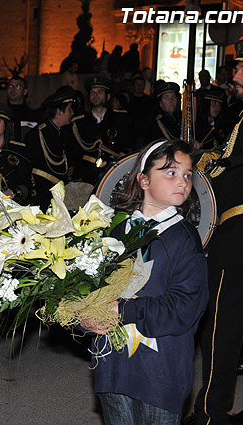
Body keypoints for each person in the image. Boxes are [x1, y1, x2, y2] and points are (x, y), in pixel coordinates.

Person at [84, 139, 208, 425]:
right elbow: (89, 284)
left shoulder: (184, 238)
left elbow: (186, 307)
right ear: (143, 179)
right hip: (112, 365)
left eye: (187, 175)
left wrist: (124, 311)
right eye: (170, 172)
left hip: (159, 372)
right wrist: (84, 316)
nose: (182, 182)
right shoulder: (115, 230)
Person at [190, 40, 243, 425]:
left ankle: (210, 414)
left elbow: (236, 174)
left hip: (239, 239)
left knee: (221, 330)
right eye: (237, 70)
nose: (235, 78)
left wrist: (196, 163)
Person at [67, 76, 133, 185]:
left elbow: (129, 143)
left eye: (100, 92)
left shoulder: (120, 119)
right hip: (85, 177)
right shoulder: (79, 122)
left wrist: (124, 153)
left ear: (108, 96)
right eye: (92, 92)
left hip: (112, 174)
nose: (95, 95)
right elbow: (72, 152)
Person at [24, 86, 75, 211]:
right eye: (69, 109)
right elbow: (28, 167)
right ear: (59, 112)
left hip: (56, 195)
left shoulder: (61, 133)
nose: (72, 113)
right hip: (42, 196)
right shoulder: (38, 134)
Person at [194, 86, 230, 151]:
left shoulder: (221, 124)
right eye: (214, 104)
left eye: (219, 105)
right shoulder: (196, 124)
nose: (217, 108)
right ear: (206, 105)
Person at [6, 76, 39, 141]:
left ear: (25, 91)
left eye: (17, 86)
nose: (13, 89)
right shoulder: (2, 114)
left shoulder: (33, 116)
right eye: (10, 86)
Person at [128, 75, 155, 150]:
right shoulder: (128, 101)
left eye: (141, 84)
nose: (139, 86)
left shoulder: (149, 102)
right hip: (131, 135)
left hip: (145, 135)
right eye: (137, 84)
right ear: (133, 86)